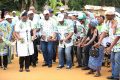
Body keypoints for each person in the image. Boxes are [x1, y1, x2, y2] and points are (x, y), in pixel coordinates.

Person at [94, 10, 119, 80]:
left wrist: (110, 47)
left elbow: (118, 36)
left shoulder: (118, 22)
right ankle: (114, 75)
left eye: (108, 16)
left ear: (113, 15)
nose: (106, 17)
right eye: (106, 15)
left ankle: (116, 76)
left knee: (117, 60)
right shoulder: (108, 22)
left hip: (118, 45)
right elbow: (104, 32)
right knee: (112, 59)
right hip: (113, 45)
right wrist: (99, 42)